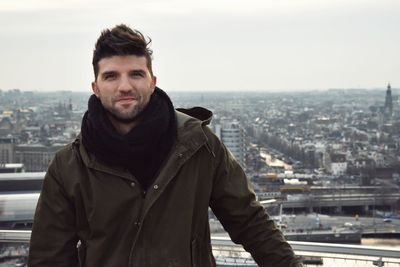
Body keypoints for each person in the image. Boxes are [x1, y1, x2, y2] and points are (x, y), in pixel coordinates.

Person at [28, 24, 303, 267]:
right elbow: (49, 258)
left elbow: (250, 223)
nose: (124, 86)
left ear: (152, 82)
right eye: (111, 76)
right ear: (96, 87)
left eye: (136, 74)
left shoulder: (199, 146)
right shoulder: (69, 166)